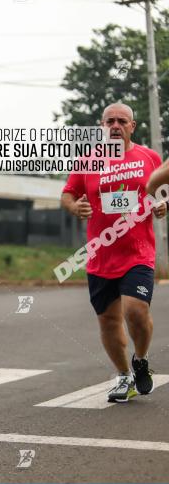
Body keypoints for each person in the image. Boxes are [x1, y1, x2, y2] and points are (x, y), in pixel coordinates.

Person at [61, 102, 166, 402]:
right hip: (100, 254)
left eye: (122, 121)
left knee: (135, 310)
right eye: (110, 121)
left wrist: (163, 204)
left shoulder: (149, 157)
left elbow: (162, 191)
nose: (116, 126)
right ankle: (124, 376)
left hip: (138, 251)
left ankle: (141, 359)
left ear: (133, 126)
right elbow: (68, 194)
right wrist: (74, 205)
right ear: (101, 126)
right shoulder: (88, 161)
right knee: (108, 321)